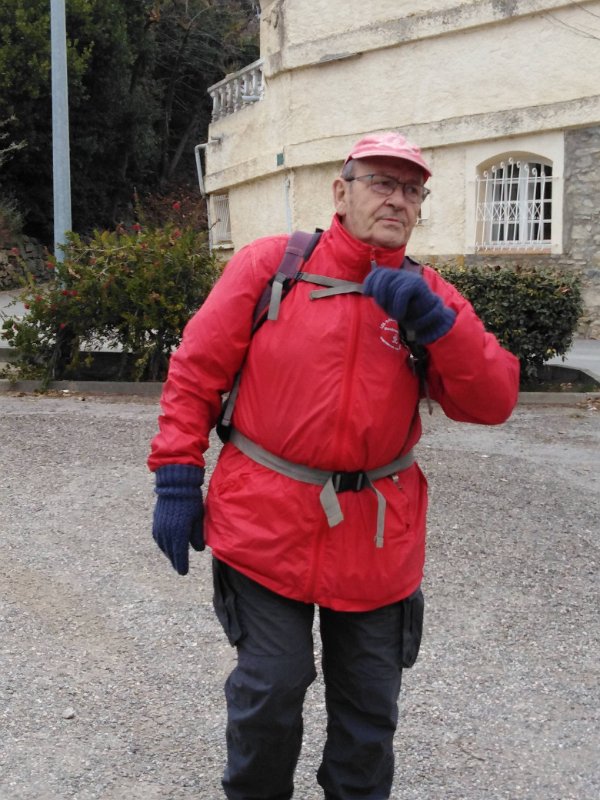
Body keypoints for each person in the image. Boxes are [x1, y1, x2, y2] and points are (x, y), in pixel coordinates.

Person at [148, 131, 520, 800]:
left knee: (369, 709)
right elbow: (196, 370)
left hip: (377, 538)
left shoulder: (429, 296)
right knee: (270, 686)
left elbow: (493, 402)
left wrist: (441, 328)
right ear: (341, 192)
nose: (398, 199)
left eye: (412, 189)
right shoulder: (271, 267)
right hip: (264, 524)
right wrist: (177, 475)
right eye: (382, 182)